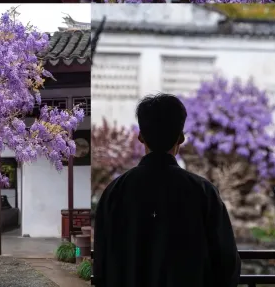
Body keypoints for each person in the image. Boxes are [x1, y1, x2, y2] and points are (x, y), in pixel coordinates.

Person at [93, 93, 241, 287]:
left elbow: (101, 264)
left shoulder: (114, 192)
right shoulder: (204, 193)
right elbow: (227, 263)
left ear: (140, 136)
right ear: (181, 137)